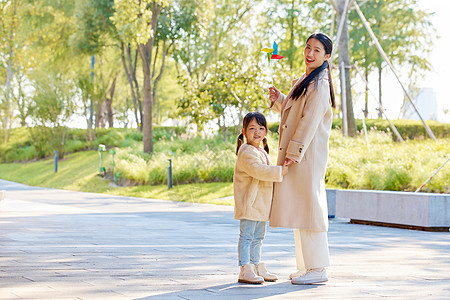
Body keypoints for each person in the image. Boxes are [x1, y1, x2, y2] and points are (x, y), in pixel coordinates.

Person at [268, 33, 336, 285]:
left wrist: (293, 153)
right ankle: (307, 266)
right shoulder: (308, 79)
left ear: (327, 56)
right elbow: (297, 112)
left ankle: (318, 268)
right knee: (301, 209)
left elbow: (308, 122)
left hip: (306, 155)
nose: (310, 53)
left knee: (310, 210)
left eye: (317, 50)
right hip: (300, 154)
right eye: (308, 48)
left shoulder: (319, 84)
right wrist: (279, 101)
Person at [234, 112, 289, 284]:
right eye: (252, 128)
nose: (257, 132)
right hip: (250, 203)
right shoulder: (246, 152)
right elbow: (257, 170)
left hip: (261, 204)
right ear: (244, 131)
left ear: (265, 132)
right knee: (247, 236)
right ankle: (245, 268)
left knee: (258, 237)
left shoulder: (261, 151)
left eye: (261, 128)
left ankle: (255, 265)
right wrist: (279, 171)